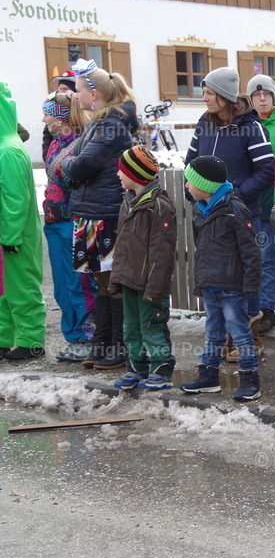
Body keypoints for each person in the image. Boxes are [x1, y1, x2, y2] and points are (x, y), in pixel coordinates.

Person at [185, 66, 275, 359]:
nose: (205, 98)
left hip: (241, 216)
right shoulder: (204, 123)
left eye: (209, 93)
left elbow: (267, 170)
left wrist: (235, 197)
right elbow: (191, 162)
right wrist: (192, 191)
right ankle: (226, 335)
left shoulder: (250, 127)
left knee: (245, 274)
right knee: (218, 276)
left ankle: (249, 336)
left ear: (224, 96)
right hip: (207, 217)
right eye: (204, 92)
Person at [61, 58, 140, 370]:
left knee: (111, 280)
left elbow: (77, 165)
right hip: (91, 211)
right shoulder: (99, 122)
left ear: (93, 94)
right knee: (101, 280)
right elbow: (72, 165)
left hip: (104, 212)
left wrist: (70, 163)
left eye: (79, 90)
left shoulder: (109, 126)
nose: (75, 96)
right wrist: (71, 164)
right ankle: (103, 342)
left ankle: (117, 345)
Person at [178, 155, 262, 402]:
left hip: (231, 288)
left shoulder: (234, 209)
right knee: (212, 333)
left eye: (190, 182)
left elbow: (251, 251)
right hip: (211, 285)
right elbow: (201, 251)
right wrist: (200, 283)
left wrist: (250, 286)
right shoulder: (198, 209)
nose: (186, 185)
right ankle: (209, 377)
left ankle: (250, 380)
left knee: (241, 334)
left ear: (206, 186)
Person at [109, 146, 177, 391]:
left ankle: (161, 366)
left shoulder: (158, 206)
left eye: (122, 170)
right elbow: (123, 244)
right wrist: (117, 276)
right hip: (129, 278)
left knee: (152, 325)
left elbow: (162, 252)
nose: (118, 174)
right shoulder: (127, 202)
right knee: (131, 326)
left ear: (135, 174)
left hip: (149, 282)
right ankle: (136, 366)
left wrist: (156, 286)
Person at [41, 91, 93, 362]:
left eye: (47, 114)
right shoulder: (54, 144)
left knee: (80, 283)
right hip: (54, 222)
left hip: (74, 222)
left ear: (61, 117)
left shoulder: (81, 144)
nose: (43, 119)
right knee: (62, 285)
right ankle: (73, 336)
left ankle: (89, 337)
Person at [0, 81, 46, 361]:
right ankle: (4, 337)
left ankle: (32, 340)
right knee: (5, 290)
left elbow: (16, 199)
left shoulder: (8, 151)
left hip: (16, 236)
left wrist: (11, 236)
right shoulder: (6, 147)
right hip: (8, 233)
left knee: (21, 287)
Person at [246, 73, 275, 334]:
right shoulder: (246, 126)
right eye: (256, 94)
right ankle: (250, 307)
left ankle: (266, 309)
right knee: (250, 258)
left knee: (269, 258)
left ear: (274, 97)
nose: (262, 99)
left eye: (266, 94)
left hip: (271, 203)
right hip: (248, 202)